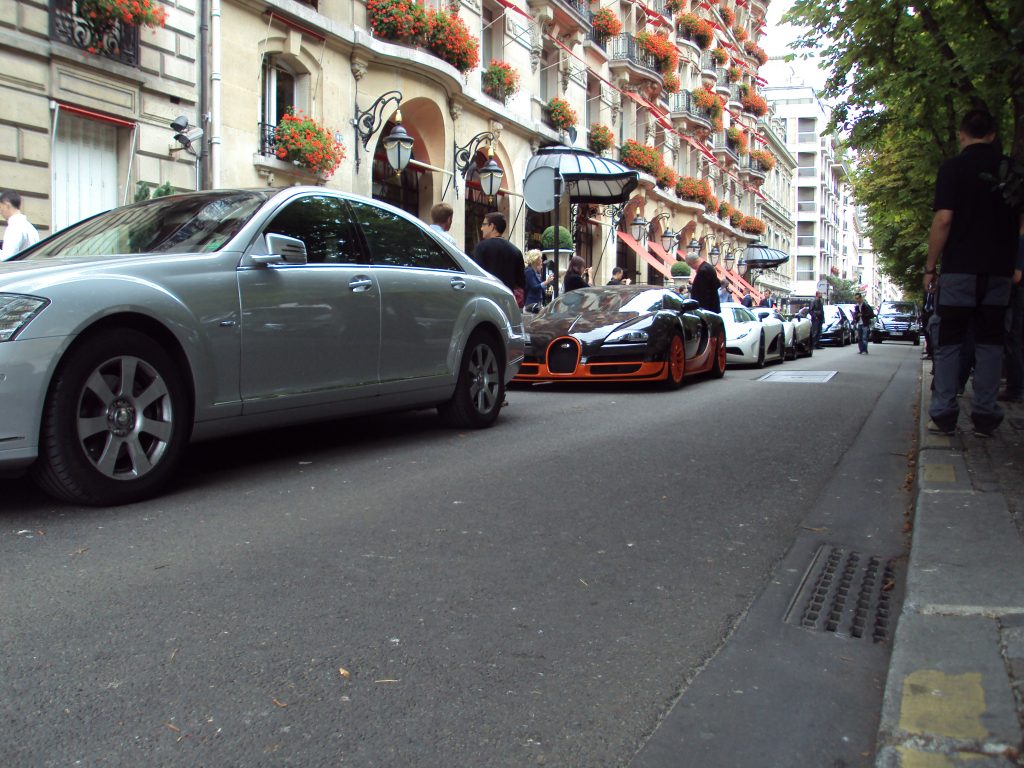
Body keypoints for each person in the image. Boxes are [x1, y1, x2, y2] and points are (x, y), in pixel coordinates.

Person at [923, 109, 1023, 438]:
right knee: (991, 343)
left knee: (950, 341)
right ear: (994, 134)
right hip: (998, 272)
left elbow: (944, 220)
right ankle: (985, 415)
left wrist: (930, 268)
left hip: (959, 271)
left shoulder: (953, 168)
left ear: (962, 134)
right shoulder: (1010, 171)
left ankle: (944, 414)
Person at [473, 211, 526, 307]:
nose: (481, 228)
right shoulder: (516, 251)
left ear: (492, 226)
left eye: (484, 224)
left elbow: (477, 277)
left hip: (487, 301)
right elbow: (521, 283)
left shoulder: (481, 247)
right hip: (508, 303)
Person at [997, 235, 1024, 402]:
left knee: (1013, 340)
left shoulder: (1020, 241)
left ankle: (1015, 388)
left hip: (1017, 295)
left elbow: (1016, 276)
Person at [0, 190, 40, 260]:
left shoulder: (14, 227)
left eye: (1, 208)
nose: (0, 212)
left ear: (6, 205)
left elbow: (6, 257)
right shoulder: (30, 227)